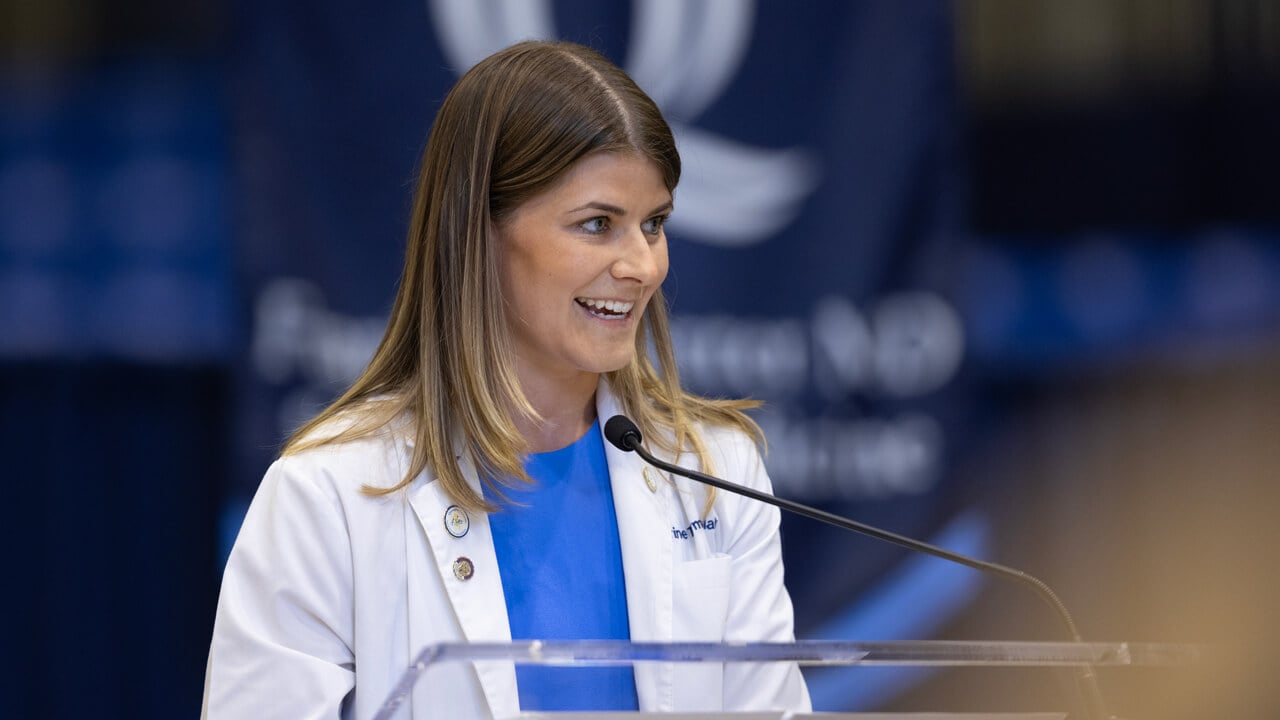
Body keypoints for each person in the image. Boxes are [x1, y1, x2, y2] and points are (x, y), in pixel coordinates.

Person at [203, 40, 810, 719]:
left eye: (654, 223)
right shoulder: (327, 495)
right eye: (597, 224)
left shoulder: (715, 471)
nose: (642, 265)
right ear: (477, 233)